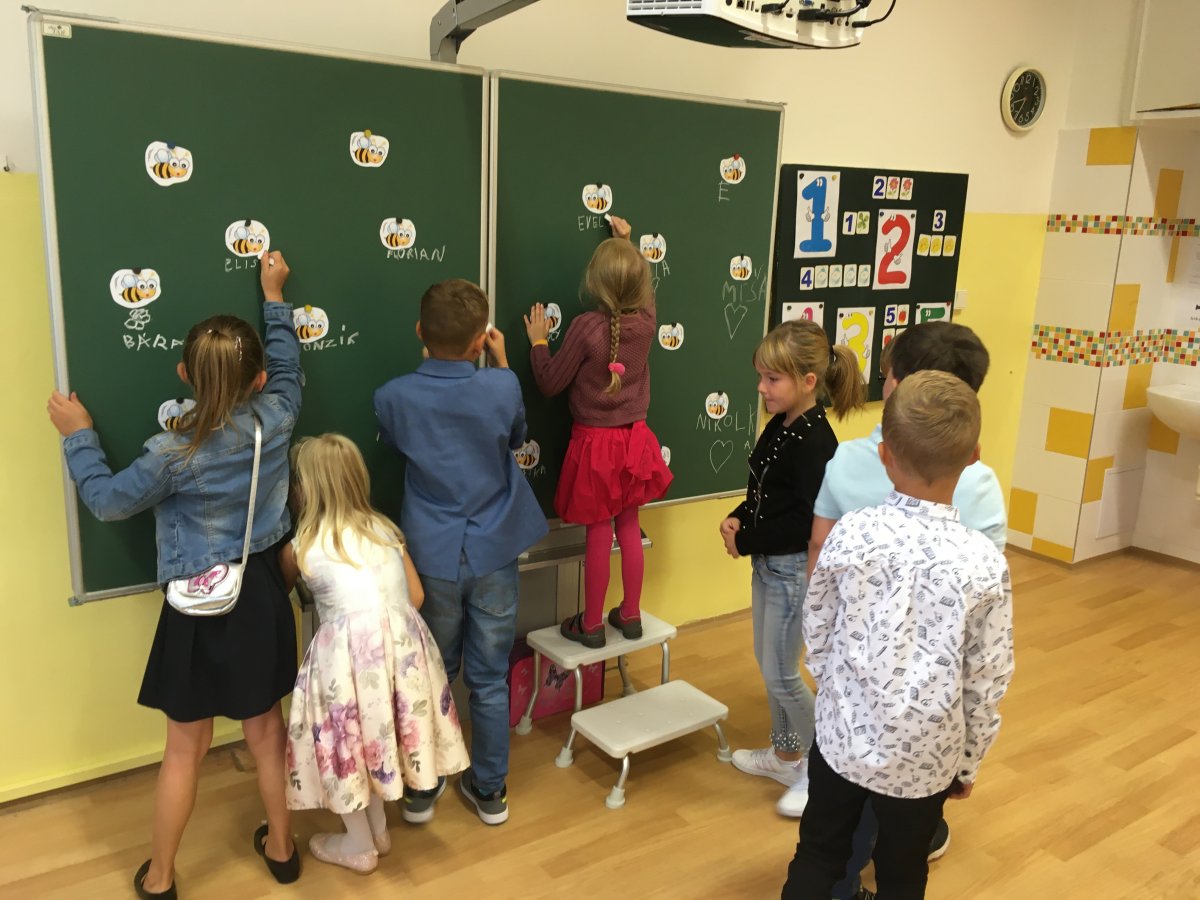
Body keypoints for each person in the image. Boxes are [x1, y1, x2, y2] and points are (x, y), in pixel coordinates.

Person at [47, 252, 303, 898]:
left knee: (185, 749)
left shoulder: (172, 454)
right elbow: (288, 370)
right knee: (267, 733)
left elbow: (106, 501)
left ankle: (160, 877)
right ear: (258, 380)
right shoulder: (276, 418)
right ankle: (281, 849)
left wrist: (78, 436)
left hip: (198, 607)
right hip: (261, 592)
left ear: (184, 374)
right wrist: (274, 298)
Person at [782, 370, 1014, 900]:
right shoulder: (984, 562)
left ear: (884, 455)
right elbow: (987, 677)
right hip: (927, 759)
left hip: (842, 740)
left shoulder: (852, 532)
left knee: (818, 853)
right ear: (974, 456)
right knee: (904, 873)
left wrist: (834, 693)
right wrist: (969, 760)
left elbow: (818, 623)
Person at [373, 279, 547, 826]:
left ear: (420, 332)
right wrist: (502, 363)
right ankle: (490, 791)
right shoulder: (502, 385)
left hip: (432, 556)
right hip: (494, 550)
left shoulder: (392, 396)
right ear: (479, 342)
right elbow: (516, 437)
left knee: (432, 672)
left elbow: (398, 443)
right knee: (489, 678)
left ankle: (423, 788)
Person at [281, 434, 469, 874]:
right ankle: (379, 830)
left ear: (305, 489)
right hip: (401, 656)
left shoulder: (302, 547)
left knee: (345, 743)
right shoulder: (386, 531)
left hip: (343, 665)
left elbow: (282, 590)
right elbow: (416, 597)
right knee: (379, 737)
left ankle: (359, 844)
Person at [719, 318, 865, 816]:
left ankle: (824, 770)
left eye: (772, 379)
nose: (762, 388)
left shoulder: (816, 442)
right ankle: (786, 756)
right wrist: (740, 517)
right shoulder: (782, 425)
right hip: (769, 567)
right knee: (770, 666)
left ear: (807, 382)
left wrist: (746, 540)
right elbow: (765, 492)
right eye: (760, 376)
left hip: (790, 572)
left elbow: (806, 521)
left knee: (782, 674)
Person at [523, 215, 673, 648]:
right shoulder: (646, 322)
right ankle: (630, 614)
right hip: (635, 440)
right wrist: (628, 242)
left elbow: (550, 383)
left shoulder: (587, 328)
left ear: (595, 283)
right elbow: (646, 295)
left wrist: (538, 343)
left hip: (596, 445)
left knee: (597, 532)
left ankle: (590, 625)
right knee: (630, 526)